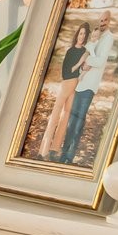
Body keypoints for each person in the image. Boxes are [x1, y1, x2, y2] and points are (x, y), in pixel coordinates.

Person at [59, 21, 118, 165]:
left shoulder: (97, 49)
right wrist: (82, 66)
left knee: (79, 121)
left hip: (88, 88)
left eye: (97, 36)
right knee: (72, 121)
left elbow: (96, 62)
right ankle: (64, 154)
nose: (94, 37)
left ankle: (70, 154)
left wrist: (88, 61)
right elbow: (82, 63)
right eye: (93, 35)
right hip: (78, 86)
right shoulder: (88, 47)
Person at [40, 22, 89, 163]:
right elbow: (66, 71)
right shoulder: (71, 51)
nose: (82, 36)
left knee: (66, 118)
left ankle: (54, 149)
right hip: (67, 83)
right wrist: (80, 63)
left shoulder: (86, 51)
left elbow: (85, 68)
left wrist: (84, 66)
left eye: (85, 34)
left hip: (76, 85)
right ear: (77, 35)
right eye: (80, 33)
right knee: (55, 115)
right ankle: (43, 150)